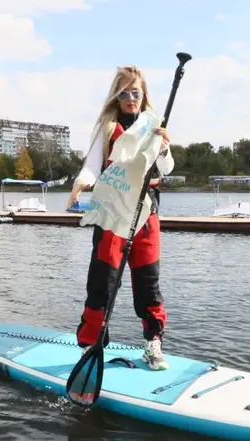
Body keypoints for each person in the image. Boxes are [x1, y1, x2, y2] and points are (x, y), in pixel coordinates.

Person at [67, 65, 173, 371]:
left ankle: (153, 344)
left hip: (144, 214)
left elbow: (166, 169)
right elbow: (92, 165)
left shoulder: (153, 125)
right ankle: (91, 345)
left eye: (135, 92)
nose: (130, 98)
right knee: (102, 283)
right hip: (113, 215)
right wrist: (80, 183)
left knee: (148, 283)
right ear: (116, 95)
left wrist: (164, 149)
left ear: (143, 94)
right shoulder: (108, 127)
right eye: (124, 92)